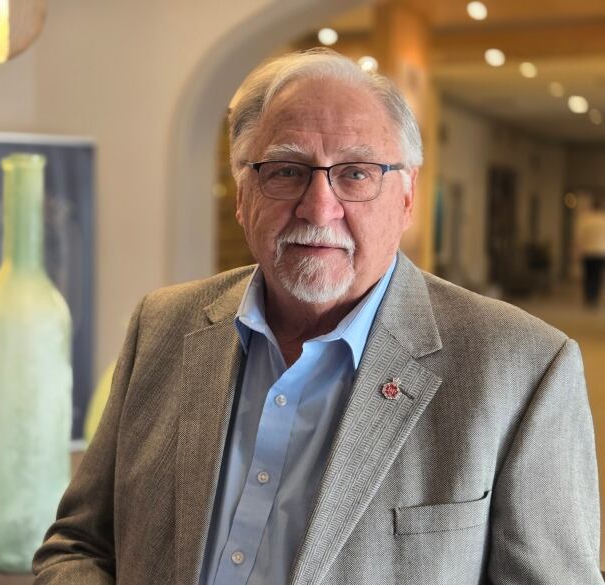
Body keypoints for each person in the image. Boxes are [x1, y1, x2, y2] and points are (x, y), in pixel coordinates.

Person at [32, 49, 601, 584]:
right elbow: (78, 544)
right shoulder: (161, 325)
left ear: (406, 198)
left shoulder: (521, 368)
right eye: (286, 170)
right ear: (241, 193)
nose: (319, 206)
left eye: (356, 173)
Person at [578, 197, 605, 308]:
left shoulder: (585, 219)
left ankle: (588, 297)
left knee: (588, 276)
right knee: (597, 276)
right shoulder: (603, 219)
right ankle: (594, 298)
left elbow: (579, 236)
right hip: (600, 252)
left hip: (587, 251)